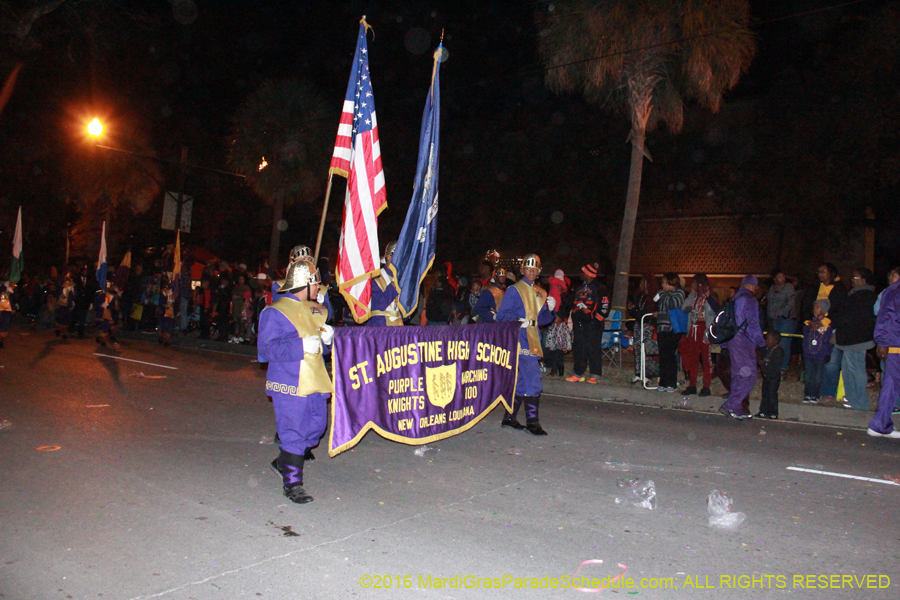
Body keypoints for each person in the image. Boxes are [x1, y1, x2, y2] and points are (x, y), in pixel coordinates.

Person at [258, 260, 334, 503]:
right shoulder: (275, 311)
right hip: (290, 382)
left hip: (316, 381)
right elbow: (266, 349)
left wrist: (327, 342)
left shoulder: (315, 310)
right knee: (294, 433)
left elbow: (319, 348)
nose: (319, 287)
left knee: (315, 430)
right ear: (305, 283)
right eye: (316, 282)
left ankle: (284, 462)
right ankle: (292, 485)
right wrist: (299, 345)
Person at [497, 253, 555, 435]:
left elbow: (542, 319)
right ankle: (533, 422)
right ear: (523, 270)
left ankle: (509, 417)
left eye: (534, 269)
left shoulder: (540, 292)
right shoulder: (515, 290)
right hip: (520, 338)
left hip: (534, 337)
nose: (531, 272)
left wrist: (552, 310)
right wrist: (517, 321)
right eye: (528, 268)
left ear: (538, 271)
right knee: (534, 380)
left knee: (522, 382)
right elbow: (502, 316)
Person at [825, 267, 877, 410]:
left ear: (863, 280)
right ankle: (853, 399)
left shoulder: (865, 295)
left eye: (854, 279)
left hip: (857, 339)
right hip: (850, 338)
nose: (852, 281)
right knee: (848, 369)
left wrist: (835, 321)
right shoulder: (856, 295)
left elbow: (850, 316)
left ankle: (861, 402)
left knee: (856, 369)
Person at [720, 275, 766, 419]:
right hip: (744, 341)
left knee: (738, 374)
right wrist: (762, 343)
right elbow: (753, 323)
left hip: (733, 340)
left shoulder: (735, 299)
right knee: (749, 375)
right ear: (753, 286)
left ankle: (735, 407)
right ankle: (731, 405)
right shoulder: (750, 300)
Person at [565, 262, 610, 384]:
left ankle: (595, 375)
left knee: (593, 349)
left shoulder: (600, 288)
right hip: (579, 324)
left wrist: (596, 320)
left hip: (593, 325)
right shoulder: (579, 288)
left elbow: (605, 306)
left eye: (582, 271)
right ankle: (578, 374)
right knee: (579, 349)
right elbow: (573, 304)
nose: (580, 274)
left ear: (587, 273)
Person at [867, 274, 900, 438]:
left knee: (892, 385)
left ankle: (880, 424)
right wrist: (882, 342)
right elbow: (884, 317)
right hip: (895, 344)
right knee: (891, 384)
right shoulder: (894, 291)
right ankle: (880, 424)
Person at [680, 273, 719, 397]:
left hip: (704, 329)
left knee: (706, 359)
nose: (693, 285)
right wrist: (692, 294)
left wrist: (709, 333)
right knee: (693, 359)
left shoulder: (709, 296)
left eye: (695, 283)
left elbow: (715, 312)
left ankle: (706, 386)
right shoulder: (694, 297)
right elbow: (684, 307)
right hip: (693, 329)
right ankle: (692, 385)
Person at [653, 272, 686, 393]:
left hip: (672, 329)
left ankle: (671, 383)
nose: (662, 285)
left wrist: (663, 295)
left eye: (663, 282)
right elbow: (662, 307)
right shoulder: (664, 294)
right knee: (663, 356)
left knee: (670, 356)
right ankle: (663, 382)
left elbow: (673, 304)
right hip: (662, 328)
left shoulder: (679, 292)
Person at [767, 269, 797, 377]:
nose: (782, 278)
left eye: (783, 276)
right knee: (775, 343)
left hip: (787, 319)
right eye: (779, 277)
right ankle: (775, 366)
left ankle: (783, 368)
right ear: (775, 279)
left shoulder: (788, 287)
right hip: (774, 319)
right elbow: (770, 303)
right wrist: (771, 315)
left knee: (784, 344)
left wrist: (781, 313)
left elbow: (791, 303)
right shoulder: (772, 289)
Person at [802, 299, 833, 404]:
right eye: (814, 307)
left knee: (818, 376)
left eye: (817, 307)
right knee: (808, 375)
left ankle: (815, 394)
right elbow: (805, 336)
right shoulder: (808, 324)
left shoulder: (827, 326)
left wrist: (828, 353)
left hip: (820, 354)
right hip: (808, 353)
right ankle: (807, 394)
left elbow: (829, 341)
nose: (814, 310)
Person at [367, 241, 402, 327]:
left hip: (399, 330)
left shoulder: (403, 279)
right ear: (389, 257)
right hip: (380, 330)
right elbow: (377, 305)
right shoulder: (375, 278)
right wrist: (394, 285)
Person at [628, 274, 656, 384]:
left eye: (642, 283)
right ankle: (638, 373)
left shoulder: (652, 298)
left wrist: (636, 311)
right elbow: (636, 311)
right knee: (637, 347)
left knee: (646, 349)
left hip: (647, 325)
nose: (641, 285)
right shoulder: (639, 296)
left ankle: (647, 374)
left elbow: (648, 312)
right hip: (638, 324)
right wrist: (632, 309)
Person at [545, 269, 570, 378]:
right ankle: (559, 368)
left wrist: (554, 316)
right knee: (558, 346)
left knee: (554, 346)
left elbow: (549, 305)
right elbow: (567, 306)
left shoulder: (551, 290)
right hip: (560, 322)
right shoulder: (563, 292)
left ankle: (555, 369)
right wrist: (561, 316)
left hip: (554, 321)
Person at [757, 331, 784, 419]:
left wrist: (764, 363)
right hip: (766, 376)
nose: (766, 341)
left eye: (768, 339)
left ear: (775, 341)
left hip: (773, 377)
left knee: (772, 394)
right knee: (765, 394)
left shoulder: (778, 351)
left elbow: (775, 365)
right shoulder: (766, 349)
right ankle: (763, 411)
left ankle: (773, 412)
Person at [55, 275, 75, 339]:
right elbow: (58, 294)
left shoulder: (72, 288)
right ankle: (58, 329)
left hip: (68, 305)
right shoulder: (61, 287)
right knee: (60, 318)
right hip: (62, 305)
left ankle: (64, 333)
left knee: (66, 320)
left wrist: (72, 290)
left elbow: (74, 296)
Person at [0, 281, 15, 349]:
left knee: (5, 324)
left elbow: (14, 298)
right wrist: (3, 287)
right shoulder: (2, 287)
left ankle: (1, 341)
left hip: (7, 309)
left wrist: (13, 308)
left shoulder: (12, 287)